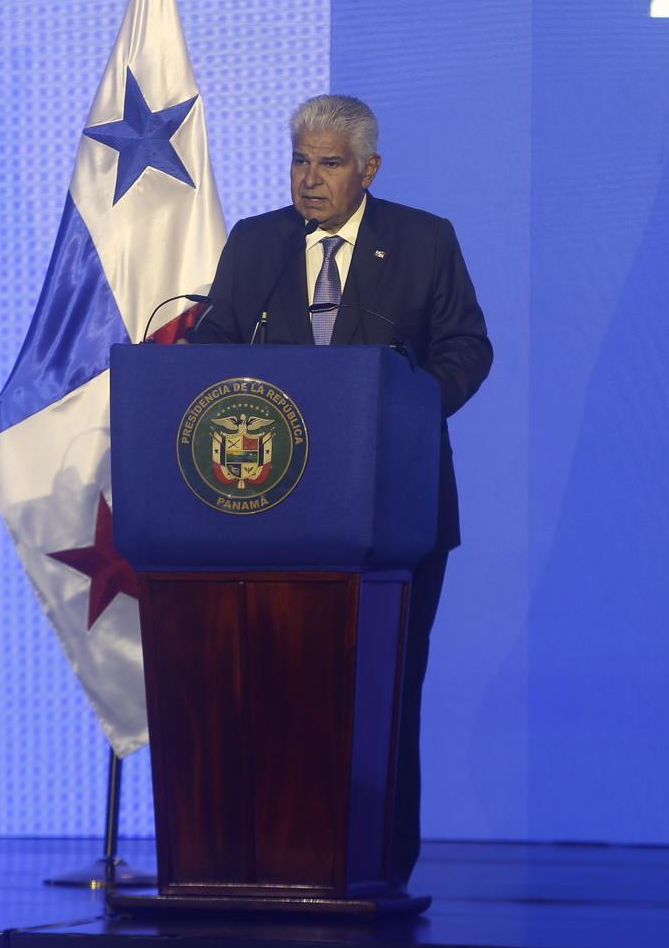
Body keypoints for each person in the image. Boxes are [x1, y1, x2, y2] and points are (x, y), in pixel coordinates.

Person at [188, 94, 492, 883]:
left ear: (368, 169)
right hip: (268, 513)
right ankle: (270, 857)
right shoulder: (257, 243)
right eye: (299, 160)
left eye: (327, 163)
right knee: (275, 692)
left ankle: (377, 866)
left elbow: (466, 346)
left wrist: (408, 407)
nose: (308, 178)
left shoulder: (422, 240)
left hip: (393, 508)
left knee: (382, 692)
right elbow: (214, 344)